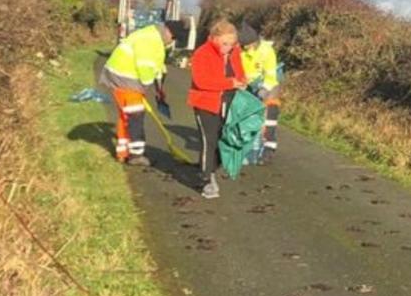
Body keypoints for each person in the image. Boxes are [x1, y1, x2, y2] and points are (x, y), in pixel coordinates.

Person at [99, 21, 176, 166]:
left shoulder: (155, 38)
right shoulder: (150, 40)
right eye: (173, 38)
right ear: (168, 32)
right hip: (125, 78)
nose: (172, 42)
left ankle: (122, 153)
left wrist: (159, 89)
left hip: (121, 78)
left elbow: (158, 67)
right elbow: (145, 67)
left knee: (126, 116)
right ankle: (136, 155)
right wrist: (145, 87)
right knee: (135, 116)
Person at [188, 20, 246, 199]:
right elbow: (201, 81)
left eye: (231, 44)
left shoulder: (235, 52)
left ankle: (211, 170)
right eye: (224, 43)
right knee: (209, 141)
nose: (228, 48)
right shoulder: (202, 53)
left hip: (229, 103)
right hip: (206, 103)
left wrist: (242, 81)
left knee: (223, 140)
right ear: (214, 38)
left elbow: (240, 72)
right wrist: (229, 83)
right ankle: (206, 179)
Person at [238, 23, 282, 164]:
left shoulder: (267, 51)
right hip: (248, 89)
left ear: (255, 41)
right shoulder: (239, 51)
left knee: (268, 121)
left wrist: (263, 90)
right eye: (244, 46)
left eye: (249, 45)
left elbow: (271, 75)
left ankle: (268, 151)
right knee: (249, 120)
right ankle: (250, 150)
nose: (246, 48)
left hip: (268, 89)